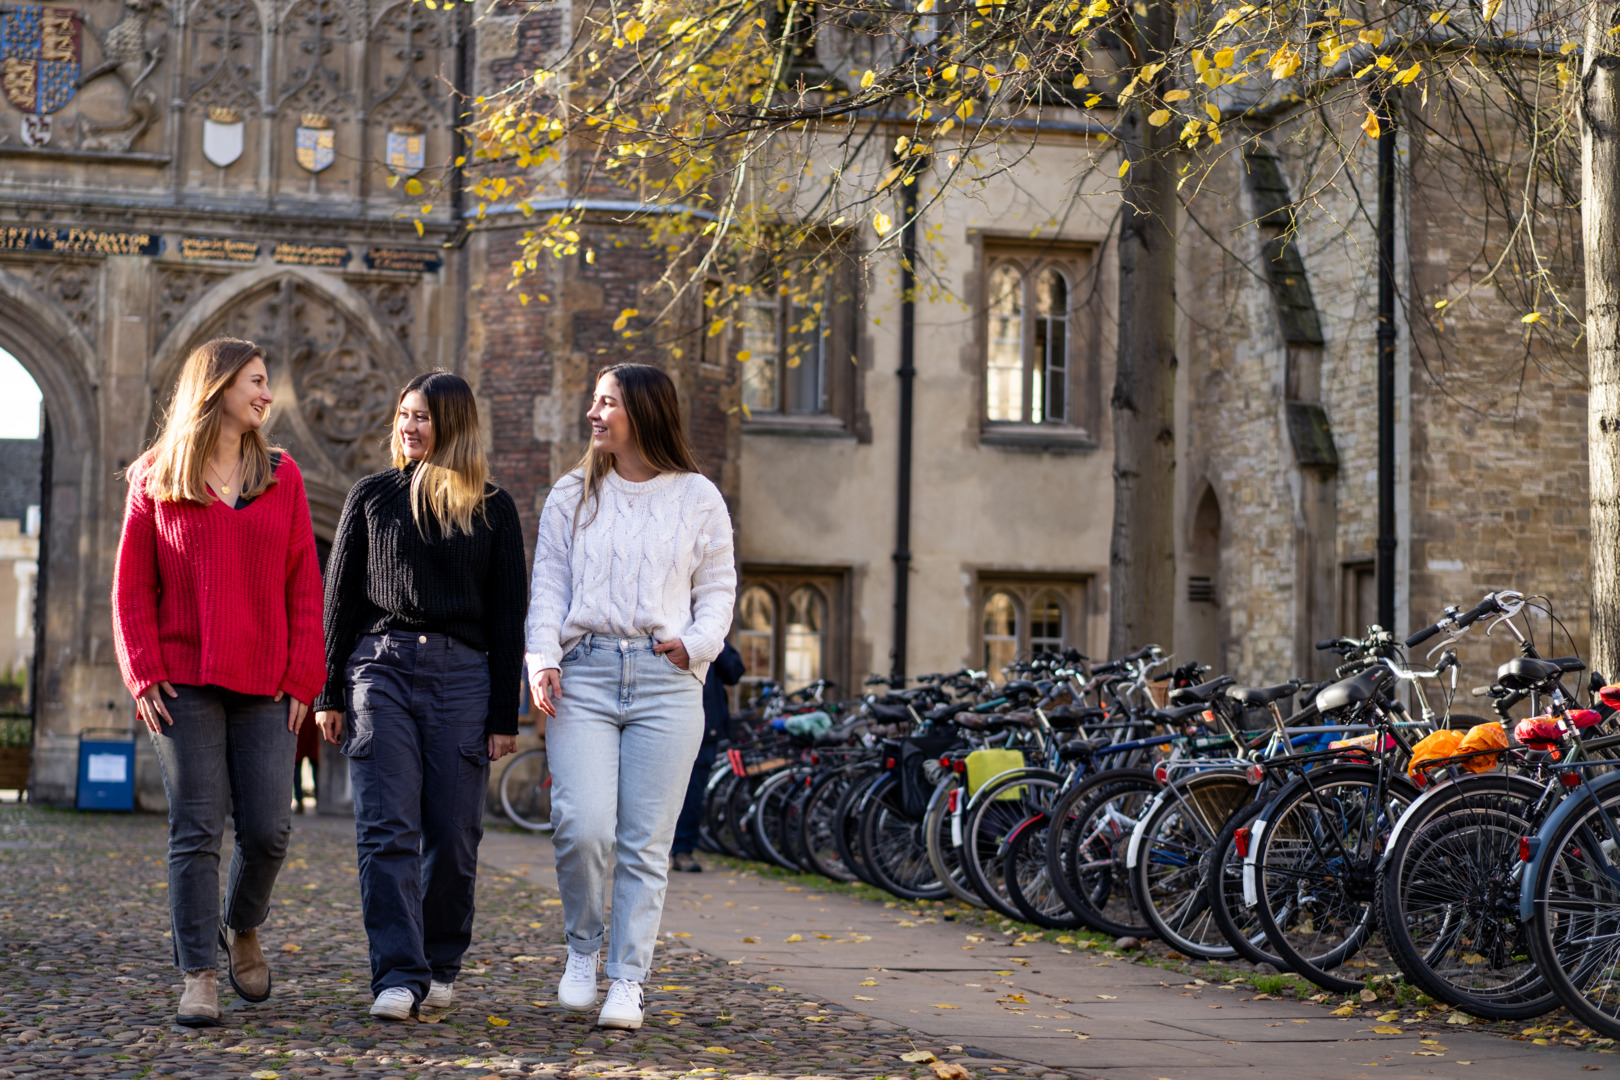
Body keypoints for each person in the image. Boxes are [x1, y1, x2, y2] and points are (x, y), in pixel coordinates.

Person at [111, 337, 326, 1028]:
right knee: (197, 828)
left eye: (267, 382)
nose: (267, 394)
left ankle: (243, 924)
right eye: (256, 381)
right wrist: (143, 670)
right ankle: (198, 974)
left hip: (266, 684)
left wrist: (304, 676)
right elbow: (132, 588)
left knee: (268, 829)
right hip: (183, 681)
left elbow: (304, 584)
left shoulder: (283, 476)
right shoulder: (155, 477)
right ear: (217, 388)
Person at [527, 362, 736, 1030]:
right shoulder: (572, 493)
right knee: (582, 825)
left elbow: (718, 589)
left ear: (642, 412)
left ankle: (628, 979)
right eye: (594, 401)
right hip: (584, 673)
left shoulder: (698, 497)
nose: (593, 413)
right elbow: (548, 587)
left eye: (606, 403)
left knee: (646, 844)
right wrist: (542, 659)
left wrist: (695, 645)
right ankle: (583, 948)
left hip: (665, 681)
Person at [313, 371, 527, 1021]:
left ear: (453, 425)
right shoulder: (371, 496)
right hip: (379, 669)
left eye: (424, 417)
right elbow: (339, 601)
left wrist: (504, 713)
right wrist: (328, 692)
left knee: (455, 837)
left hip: (462, 678)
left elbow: (507, 617)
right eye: (404, 414)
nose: (409, 426)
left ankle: (439, 963)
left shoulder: (493, 508)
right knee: (388, 831)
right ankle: (398, 975)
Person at [671, 641, 744, 872]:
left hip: (706, 729)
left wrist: (714, 640)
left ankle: (683, 849)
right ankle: (651, 849)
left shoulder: (713, 637)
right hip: (669, 721)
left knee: (693, 793)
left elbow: (734, 672)